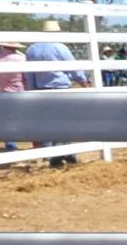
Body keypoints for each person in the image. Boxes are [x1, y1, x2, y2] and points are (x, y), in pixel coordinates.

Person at [26, 20, 88, 167]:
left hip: (40, 89)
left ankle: (50, 153)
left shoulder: (31, 49)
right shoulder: (60, 47)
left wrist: (32, 89)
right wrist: (83, 82)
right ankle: (67, 153)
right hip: (60, 88)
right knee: (65, 121)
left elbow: (29, 73)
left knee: (46, 122)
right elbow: (74, 68)